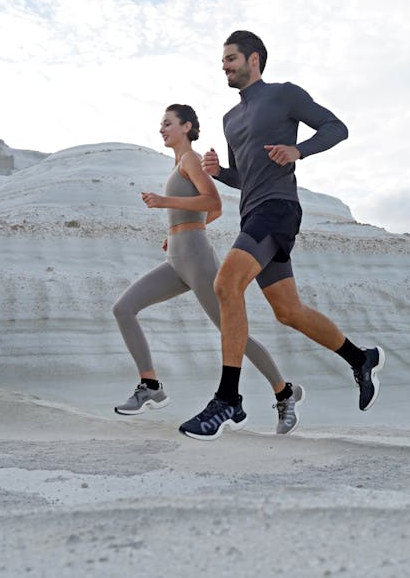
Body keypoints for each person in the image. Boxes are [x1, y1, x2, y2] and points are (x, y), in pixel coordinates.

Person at [178, 31, 385, 441]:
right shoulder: (230, 119)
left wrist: (299, 151)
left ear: (254, 59)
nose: (225, 65)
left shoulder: (284, 95)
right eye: (223, 60)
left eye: (232, 58)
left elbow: (336, 127)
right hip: (252, 213)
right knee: (287, 311)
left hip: (278, 209)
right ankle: (361, 357)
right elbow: (245, 175)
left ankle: (228, 399)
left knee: (226, 284)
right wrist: (222, 174)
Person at [112, 104, 304, 436]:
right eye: (161, 124)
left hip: (198, 260)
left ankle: (284, 392)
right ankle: (150, 385)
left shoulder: (191, 159)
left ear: (187, 126)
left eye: (168, 123)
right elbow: (203, 213)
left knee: (233, 335)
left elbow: (213, 202)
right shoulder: (178, 164)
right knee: (124, 308)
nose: (162, 129)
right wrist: (174, 232)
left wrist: (165, 202)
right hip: (177, 258)